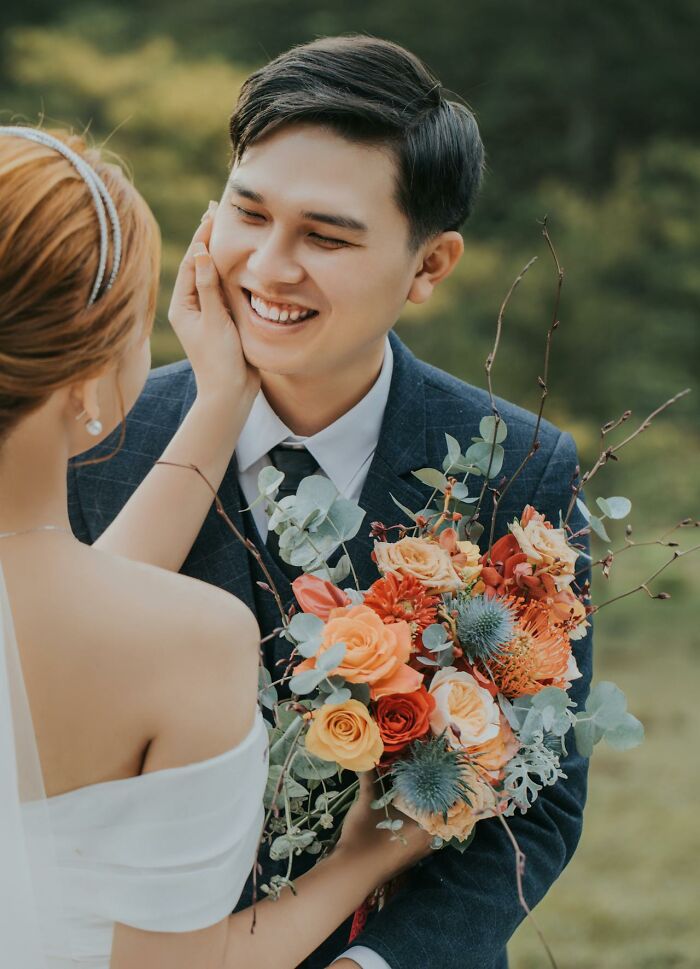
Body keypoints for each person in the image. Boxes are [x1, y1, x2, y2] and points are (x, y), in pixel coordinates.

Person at [68, 35, 593, 969]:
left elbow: (536, 805)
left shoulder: (520, 465)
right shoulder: (95, 435)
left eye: (325, 236)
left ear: (430, 266)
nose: (269, 267)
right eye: (248, 213)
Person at [0, 125, 433, 969]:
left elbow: (76, 602)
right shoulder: (190, 642)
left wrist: (221, 399)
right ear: (89, 377)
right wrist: (365, 857)